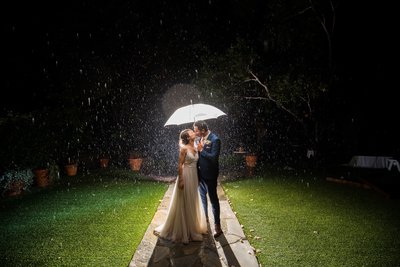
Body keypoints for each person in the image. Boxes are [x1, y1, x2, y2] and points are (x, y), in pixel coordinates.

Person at [154, 129, 207, 243]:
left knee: (193, 200)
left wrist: (200, 150)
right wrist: (181, 179)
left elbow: (198, 163)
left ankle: (193, 226)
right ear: (187, 137)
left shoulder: (196, 146)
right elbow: (180, 164)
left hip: (194, 176)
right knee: (185, 201)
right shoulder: (183, 149)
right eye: (191, 132)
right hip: (186, 175)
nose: (193, 132)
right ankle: (185, 231)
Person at [193, 120, 222, 238]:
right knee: (202, 200)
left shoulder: (215, 140)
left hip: (210, 175)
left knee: (213, 200)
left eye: (196, 130)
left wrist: (201, 150)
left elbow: (214, 158)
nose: (195, 133)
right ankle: (205, 220)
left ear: (203, 130)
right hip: (200, 175)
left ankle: (217, 226)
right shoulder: (198, 140)